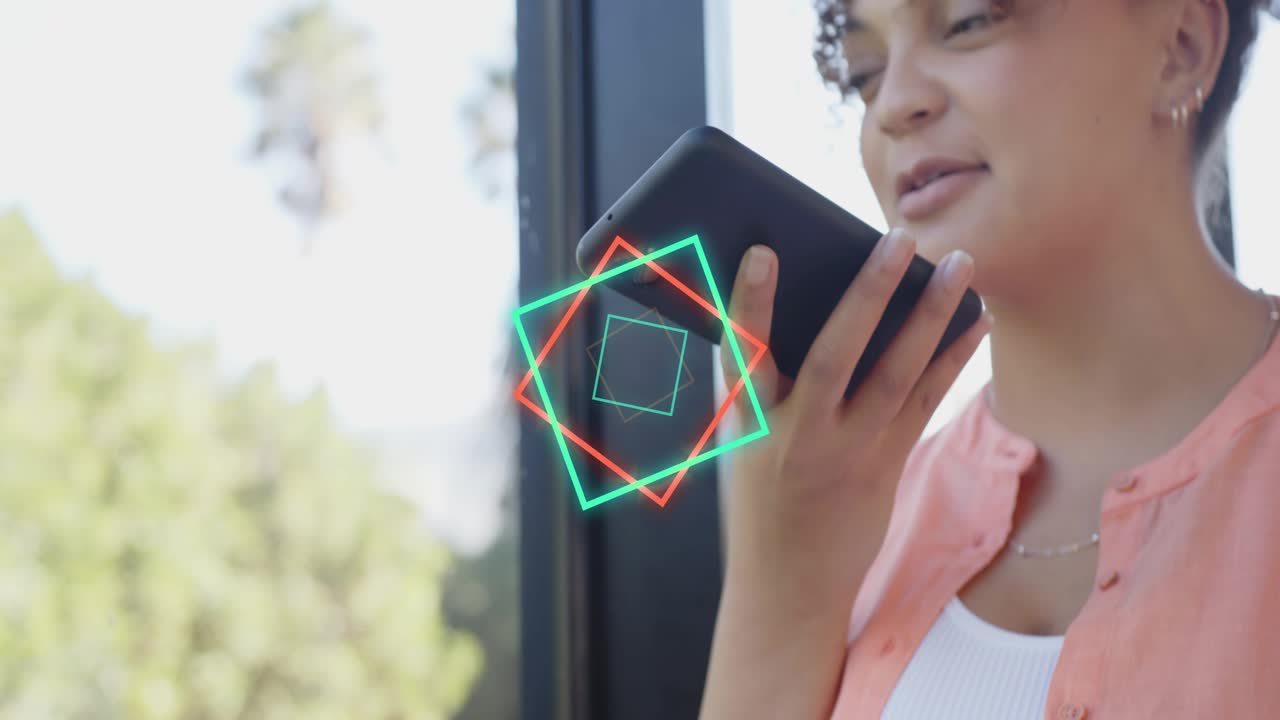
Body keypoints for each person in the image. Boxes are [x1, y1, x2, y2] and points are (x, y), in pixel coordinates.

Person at [698, 1, 1279, 718]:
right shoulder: (852, 514)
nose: (894, 106)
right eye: (865, 74)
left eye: (968, 22)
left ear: (1182, 45)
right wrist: (779, 585)